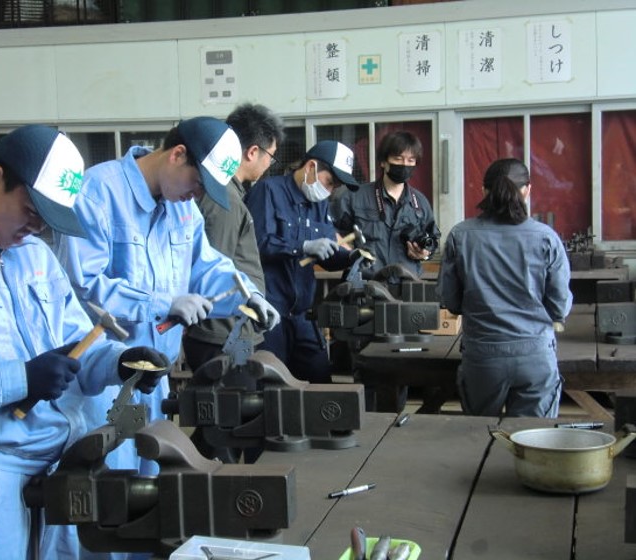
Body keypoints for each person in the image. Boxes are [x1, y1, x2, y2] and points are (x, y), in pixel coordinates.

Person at [0, 124, 170, 560]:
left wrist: (117, 362)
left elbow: (75, 345)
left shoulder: (35, 256)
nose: (36, 227)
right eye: (31, 210)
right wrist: (18, 379)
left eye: (47, 219)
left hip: (59, 470)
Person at [52, 116, 281, 556]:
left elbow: (206, 264)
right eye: (197, 183)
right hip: (104, 385)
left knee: (149, 503)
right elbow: (82, 286)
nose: (197, 195)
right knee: (108, 502)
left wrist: (246, 295)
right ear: (177, 155)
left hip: (153, 383)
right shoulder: (98, 193)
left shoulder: (182, 206)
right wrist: (162, 302)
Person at [437, 158, 573, 417]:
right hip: (535, 356)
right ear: (528, 190)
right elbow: (559, 307)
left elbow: (450, 302)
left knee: (479, 435)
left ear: (483, 191)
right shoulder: (546, 238)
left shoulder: (460, 235)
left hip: (482, 358)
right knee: (532, 437)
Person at [245, 140, 360, 384]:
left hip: (302, 316)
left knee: (320, 384)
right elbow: (256, 244)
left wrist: (351, 257)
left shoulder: (319, 205)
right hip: (270, 314)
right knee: (272, 388)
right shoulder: (268, 191)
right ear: (310, 167)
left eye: (335, 187)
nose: (330, 190)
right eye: (329, 182)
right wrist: (302, 246)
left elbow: (326, 256)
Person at [183, 103, 285, 372]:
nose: (268, 165)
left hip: (231, 328)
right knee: (231, 396)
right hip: (223, 333)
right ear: (253, 152)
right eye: (270, 156)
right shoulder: (225, 199)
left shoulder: (231, 194)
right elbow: (213, 267)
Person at [331, 131, 440, 283]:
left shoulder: (420, 202)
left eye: (411, 160)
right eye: (398, 159)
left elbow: (433, 239)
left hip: (407, 287)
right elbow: (330, 232)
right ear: (383, 162)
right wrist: (350, 253)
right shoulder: (354, 197)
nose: (405, 164)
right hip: (365, 286)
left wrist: (424, 254)